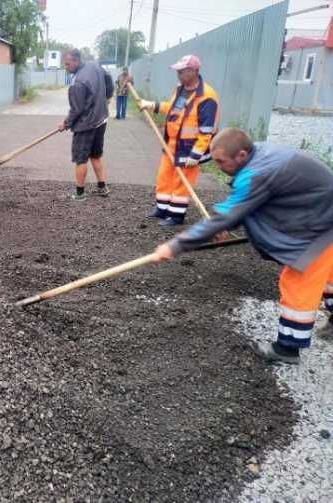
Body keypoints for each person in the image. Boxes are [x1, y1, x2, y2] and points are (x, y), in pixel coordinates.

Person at [153, 128, 333, 365]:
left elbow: (229, 212)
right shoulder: (257, 153)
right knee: (328, 275)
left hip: (320, 224)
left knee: (298, 281)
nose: (217, 166)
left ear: (240, 155)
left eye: (220, 161)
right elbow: (249, 203)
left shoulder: (257, 173)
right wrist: (225, 223)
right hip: (320, 211)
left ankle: (287, 348)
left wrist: (176, 245)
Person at [138, 54, 220, 226]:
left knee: (182, 181)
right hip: (172, 143)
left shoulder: (207, 96)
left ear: (193, 71)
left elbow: (206, 130)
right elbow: (173, 109)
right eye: (178, 71)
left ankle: (176, 215)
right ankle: (162, 208)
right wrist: (151, 105)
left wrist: (196, 154)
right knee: (164, 176)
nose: (178, 74)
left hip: (189, 147)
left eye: (182, 71)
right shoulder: (181, 89)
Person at [57, 49, 114, 201]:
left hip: (86, 124)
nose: (66, 67)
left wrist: (66, 123)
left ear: (76, 61)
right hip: (101, 119)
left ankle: (80, 193)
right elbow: (108, 78)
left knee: (80, 158)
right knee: (95, 155)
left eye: (68, 64)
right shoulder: (95, 66)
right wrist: (108, 96)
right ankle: (103, 187)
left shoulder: (78, 82)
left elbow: (77, 109)